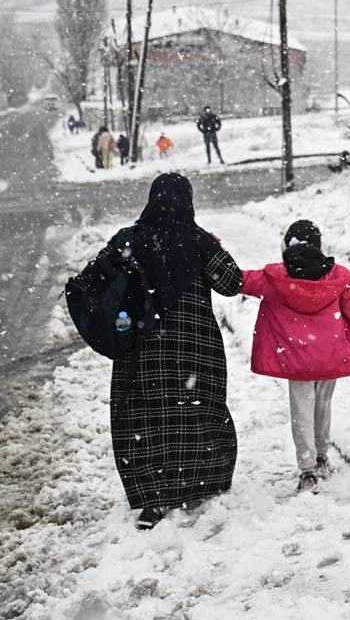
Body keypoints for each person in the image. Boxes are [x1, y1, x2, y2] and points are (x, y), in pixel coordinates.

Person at [74, 173, 244, 530]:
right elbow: (232, 283)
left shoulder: (128, 240)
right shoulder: (199, 242)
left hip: (141, 347)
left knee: (146, 418)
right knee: (197, 411)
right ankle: (198, 481)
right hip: (194, 346)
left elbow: (91, 282)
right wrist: (218, 248)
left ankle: (152, 496)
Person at [239, 220, 350, 493]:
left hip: (297, 360)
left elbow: (240, 281)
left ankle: (308, 470)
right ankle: (322, 456)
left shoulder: (275, 278)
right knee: (323, 407)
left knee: (302, 412)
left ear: (287, 245)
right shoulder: (338, 278)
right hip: (329, 357)